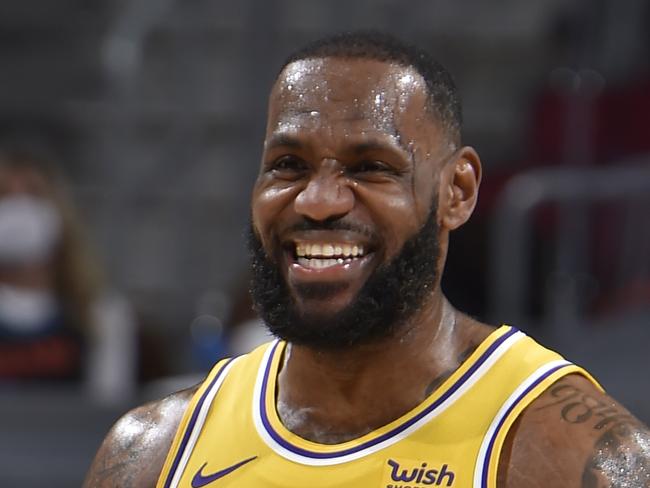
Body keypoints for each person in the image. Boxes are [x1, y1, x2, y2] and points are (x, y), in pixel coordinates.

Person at [84, 31, 649, 487]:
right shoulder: (152, 454)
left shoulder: (567, 454)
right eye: (288, 164)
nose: (319, 200)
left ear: (458, 191)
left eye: (370, 166)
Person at [0, 147, 137, 402]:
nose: (19, 209)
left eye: (33, 194)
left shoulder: (100, 316)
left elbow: (105, 410)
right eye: (5, 195)